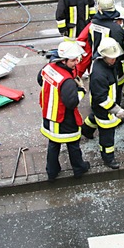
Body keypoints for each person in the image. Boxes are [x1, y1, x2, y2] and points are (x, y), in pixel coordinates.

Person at [38, 39, 91, 181]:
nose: (76, 63)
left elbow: (40, 79)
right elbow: (71, 103)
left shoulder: (49, 67)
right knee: (73, 145)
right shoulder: (67, 81)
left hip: (49, 116)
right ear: (63, 60)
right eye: (73, 60)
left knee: (53, 144)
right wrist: (81, 90)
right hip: (64, 119)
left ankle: (52, 171)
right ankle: (79, 168)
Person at [83, 37, 124, 169]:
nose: (114, 60)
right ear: (104, 55)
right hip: (105, 107)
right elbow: (102, 98)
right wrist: (116, 110)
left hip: (100, 106)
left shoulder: (104, 63)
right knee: (107, 133)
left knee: (94, 118)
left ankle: (86, 130)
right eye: (111, 58)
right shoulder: (99, 74)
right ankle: (108, 157)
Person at [75, 0, 124, 77]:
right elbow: (122, 50)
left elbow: (90, 43)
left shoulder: (93, 24)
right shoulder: (116, 29)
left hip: (96, 64)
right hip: (113, 68)